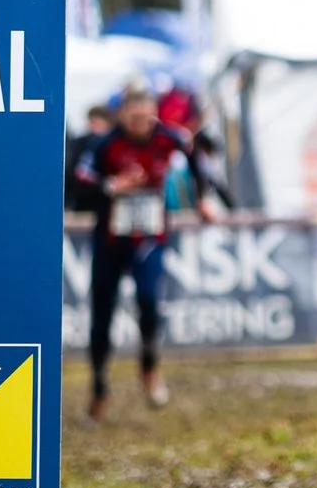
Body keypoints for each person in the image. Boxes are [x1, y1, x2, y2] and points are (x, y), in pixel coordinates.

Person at [74, 81, 221, 419]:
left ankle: (149, 367)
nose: (140, 125)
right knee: (102, 314)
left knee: (150, 302)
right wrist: (112, 185)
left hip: (150, 238)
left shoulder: (169, 138)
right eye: (134, 118)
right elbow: (78, 178)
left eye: (146, 117)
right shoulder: (105, 143)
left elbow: (196, 159)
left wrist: (203, 199)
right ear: (122, 115)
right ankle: (99, 387)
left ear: (154, 114)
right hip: (110, 239)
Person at [64, 103, 114, 216]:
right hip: (82, 202)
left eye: (98, 123)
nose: (95, 127)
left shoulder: (113, 144)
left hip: (106, 203)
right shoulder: (80, 143)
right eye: (92, 122)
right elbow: (74, 170)